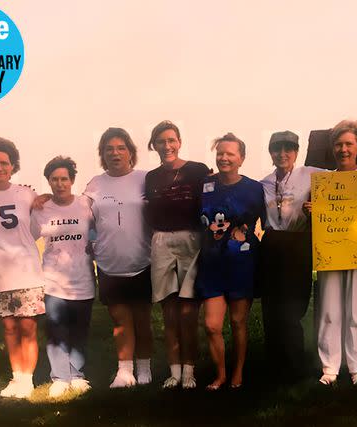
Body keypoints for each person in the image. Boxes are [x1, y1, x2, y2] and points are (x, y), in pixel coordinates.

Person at [303, 121, 357, 385]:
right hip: (332, 250)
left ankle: (355, 368)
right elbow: (315, 215)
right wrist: (311, 211)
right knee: (329, 310)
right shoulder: (325, 181)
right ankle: (330, 368)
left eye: (349, 144)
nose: (343, 149)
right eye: (339, 144)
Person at [83, 127, 153, 388]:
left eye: (120, 147)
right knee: (120, 321)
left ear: (130, 152)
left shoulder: (145, 179)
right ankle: (125, 372)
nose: (115, 153)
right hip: (109, 263)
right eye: (109, 149)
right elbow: (79, 213)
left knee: (142, 319)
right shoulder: (95, 184)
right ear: (102, 153)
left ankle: (144, 368)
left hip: (142, 261)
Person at [195, 133, 266, 390]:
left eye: (230, 154)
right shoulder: (205, 185)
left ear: (241, 158)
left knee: (238, 322)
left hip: (242, 264)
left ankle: (238, 372)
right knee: (212, 325)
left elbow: (266, 222)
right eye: (220, 153)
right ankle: (220, 374)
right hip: (212, 264)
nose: (224, 158)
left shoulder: (254, 188)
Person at [0, 137, 45, 399]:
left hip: (26, 269)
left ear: (12, 165)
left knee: (28, 327)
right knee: (8, 328)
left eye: (4, 163)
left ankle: (27, 379)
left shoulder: (26, 193)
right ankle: (16, 376)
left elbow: (37, 228)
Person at [145, 121, 210, 389]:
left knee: (188, 313)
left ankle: (189, 373)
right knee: (169, 313)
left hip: (191, 240)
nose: (167, 145)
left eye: (171, 140)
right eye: (161, 141)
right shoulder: (151, 177)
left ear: (179, 142)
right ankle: (174, 372)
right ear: (154, 145)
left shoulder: (198, 170)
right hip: (162, 241)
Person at [31, 156, 95, 397]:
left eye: (64, 179)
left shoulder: (85, 205)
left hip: (83, 278)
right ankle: (59, 377)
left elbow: (99, 231)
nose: (59, 184)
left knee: (79, 329)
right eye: (54, 179)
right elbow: (27, 239)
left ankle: (76, 375)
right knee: (56, 329)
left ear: (72, 180)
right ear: (48, 181)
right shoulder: (41, 209)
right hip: (52, 280)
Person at [259, 130, 321, 383]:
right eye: (277, 149)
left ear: (296, 151)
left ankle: (295, 363)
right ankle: (273, 362)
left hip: (298, 242)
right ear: (271, 152)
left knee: (294, 306)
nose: (282, 154)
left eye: (288, 149)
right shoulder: (264, 182)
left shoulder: (313, 174)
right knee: (271, 305)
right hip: (273, 242)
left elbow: (347, 176)